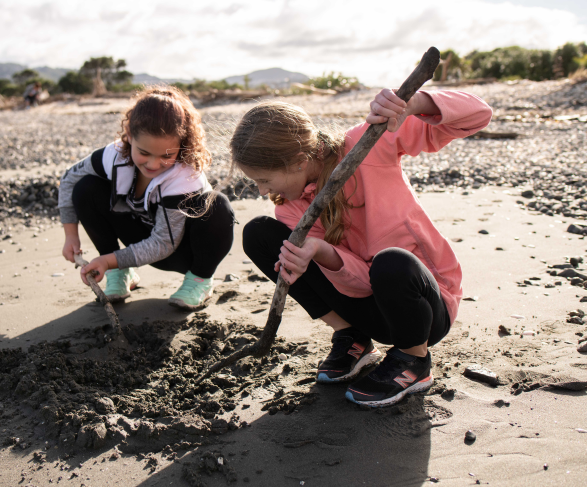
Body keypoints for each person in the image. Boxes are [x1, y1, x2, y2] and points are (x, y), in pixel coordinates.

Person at [230, 89, 492, 407]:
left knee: (391, 263)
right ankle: (352, 337)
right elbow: (359, 283)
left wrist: (414, 105)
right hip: (367, 305)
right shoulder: (290, 207)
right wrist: (319, 251)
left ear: (299, 162)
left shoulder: (369, 143)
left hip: (422, 311)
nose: (261, 190)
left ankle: (413, 360)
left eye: (264, 179)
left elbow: (479, 115)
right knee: (259, 233)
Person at [58, 86, 235, 310]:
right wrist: (71, 235)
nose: (153, 164)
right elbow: (68, 179)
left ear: (182, 144)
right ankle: (119, 273)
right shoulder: (114, 155)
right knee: (85, 187)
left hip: (181, 251)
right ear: (129, 136)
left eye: (166, 155)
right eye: (144, 153)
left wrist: (106, 260)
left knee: (216, 204)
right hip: (139, 239)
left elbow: (163, 244)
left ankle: (199, 280)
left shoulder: (185, 176)